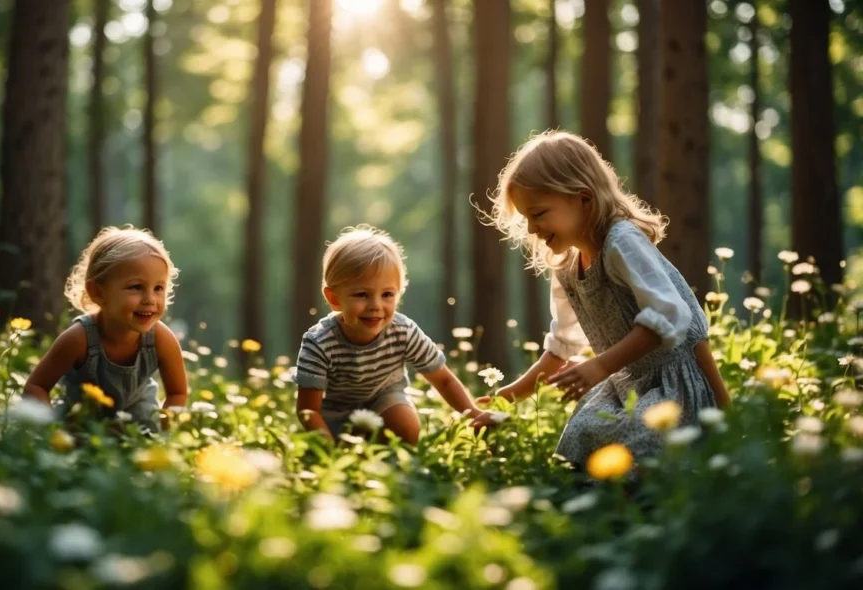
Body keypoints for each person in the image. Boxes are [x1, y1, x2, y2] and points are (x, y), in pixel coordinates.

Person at [475, 130, 730, 466]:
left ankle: (648, 508)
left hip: (674, 386)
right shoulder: (566, 266)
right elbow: (561, 349)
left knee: (638, 443)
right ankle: (601, 509)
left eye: (539, 214)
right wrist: (505, 399)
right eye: (526, 219)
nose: (533, 230)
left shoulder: (622, 242)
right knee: (581, 435)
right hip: (628, 385)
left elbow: (672, 315)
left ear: (583, 198)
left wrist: (601, 366)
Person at [295, 225, 488, 443]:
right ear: (334, 298)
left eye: (387, 294)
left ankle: (392, 455)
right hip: (334, 412)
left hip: (384, 399)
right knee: (330, 446)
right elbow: (308, 410)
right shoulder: (319, 342)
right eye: (361, 294)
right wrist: (329, 456)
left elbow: (443, 380)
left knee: (407, 428)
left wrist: (473, 413)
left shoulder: (403, 331)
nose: (376, 305)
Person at [23, 225, 188, 432]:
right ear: (97, 293)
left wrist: (165, 437)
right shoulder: (79, 339)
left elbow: (177, 392)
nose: (150, 300)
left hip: (137, 428)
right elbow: (36, 386)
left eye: (158, 288)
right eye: (136, 287)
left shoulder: (161, 339)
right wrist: (50, 433)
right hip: (81, 425)